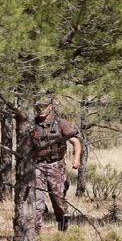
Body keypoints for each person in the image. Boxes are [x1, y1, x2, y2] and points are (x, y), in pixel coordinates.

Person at [32, 94, 81, 233]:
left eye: (43, 107)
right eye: (38, 107)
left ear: (50, 107)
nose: (40, 109)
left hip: (55, 165)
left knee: (58, 200)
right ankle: (35, 233)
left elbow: (75, 141)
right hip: (37, 165)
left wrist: (76, 158)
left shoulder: (60, 123)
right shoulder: (32, 124)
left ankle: (63, 224)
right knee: (37, 201)